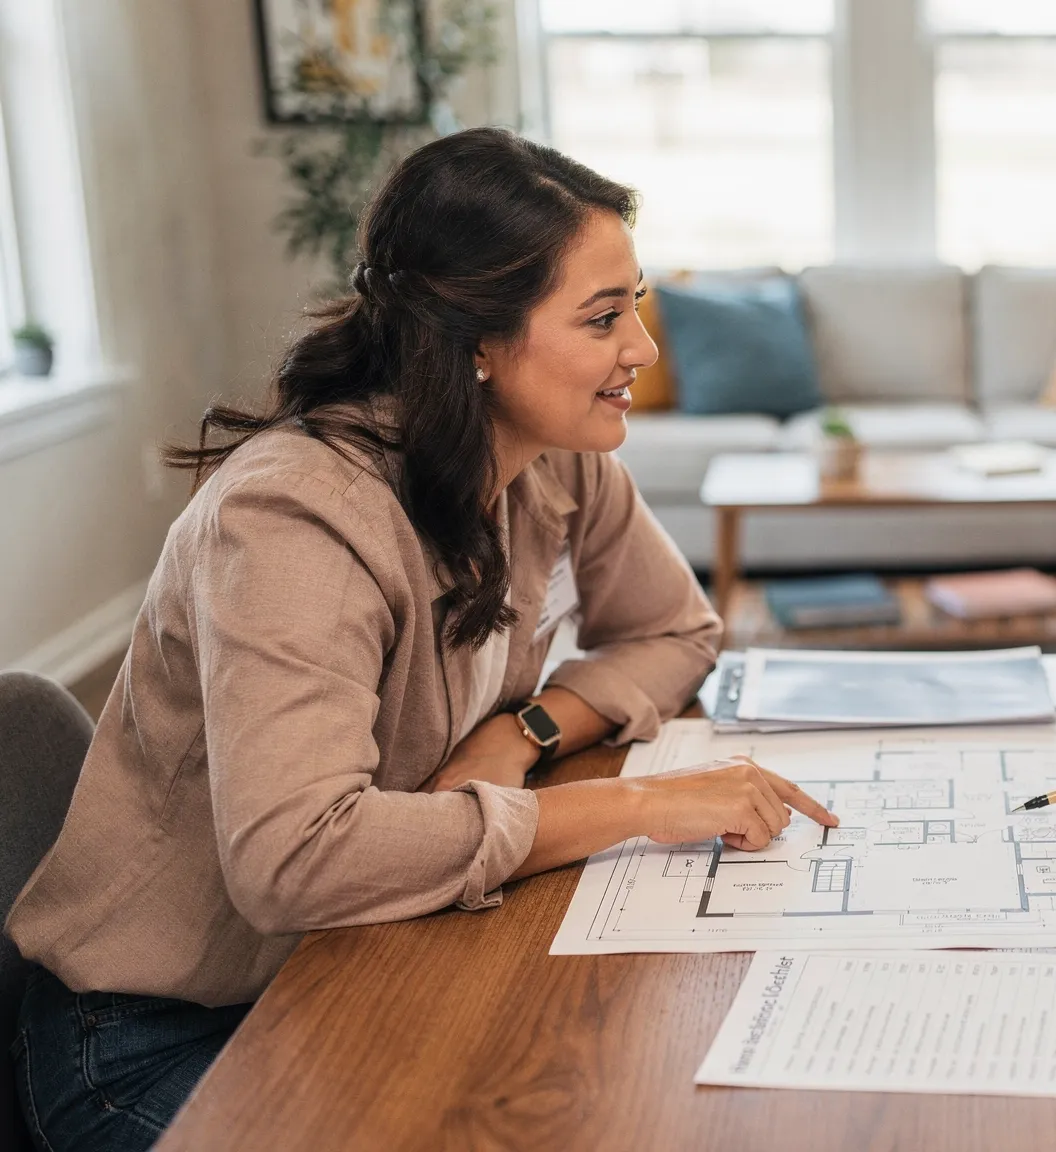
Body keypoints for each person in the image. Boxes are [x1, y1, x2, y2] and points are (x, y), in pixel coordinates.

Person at [5, 127, 834, 1152]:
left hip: (361, 954)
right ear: (475, 342)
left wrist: (526, 730)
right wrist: (633, 806)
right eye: (602, 316)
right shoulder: (292, 517)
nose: (642, 350)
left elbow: (676, 628)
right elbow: (295, 859)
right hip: (168, 1034)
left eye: (638, 305)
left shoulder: (553, 457)